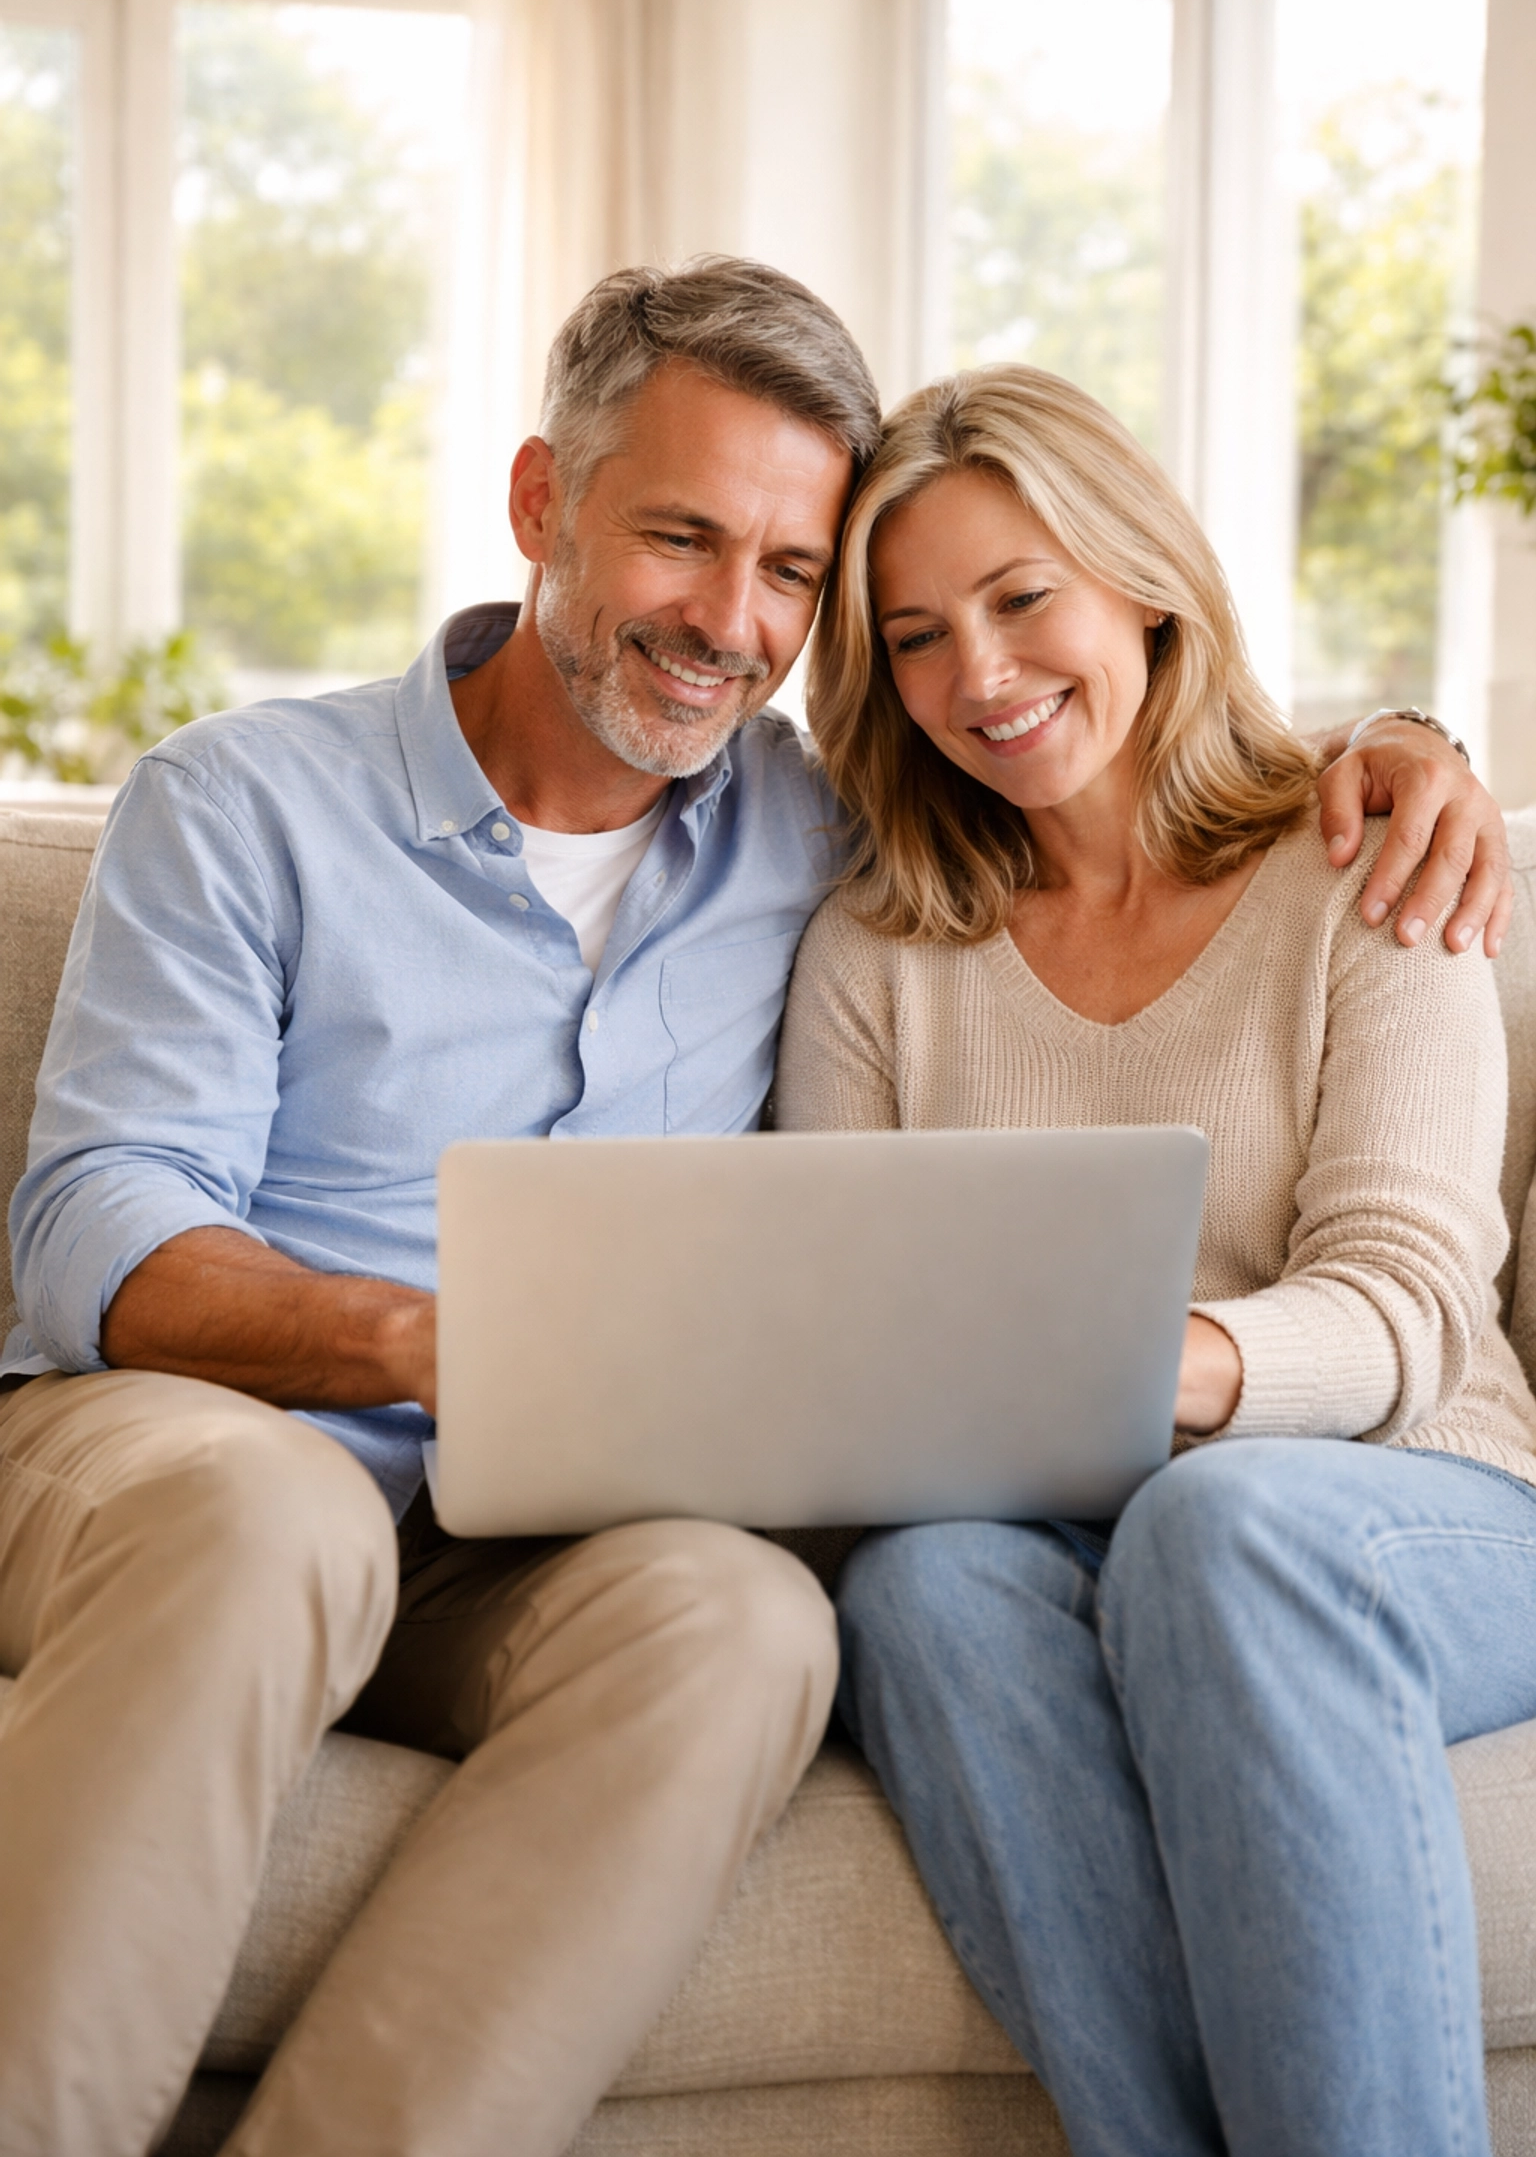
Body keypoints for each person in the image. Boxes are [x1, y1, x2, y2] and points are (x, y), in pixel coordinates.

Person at [0, 264, 1508, 2157]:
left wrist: (1414, 744)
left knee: (756, 1622)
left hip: (554, 1530)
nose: (730, 623)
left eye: (792, 574)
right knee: (302, 1517)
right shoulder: (247, 805)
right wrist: (409, 1340)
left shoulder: (821, 833)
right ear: (546, 504)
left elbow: (1114, 775)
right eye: (682, 538)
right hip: (227, 1441)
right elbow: (91, 1222)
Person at [775, 361, 1536, 2157]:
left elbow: (1414, 1310)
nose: (981, 675)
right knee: (924, 1588)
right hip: (1068, 1528)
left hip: (1425, 1505)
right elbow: (842, 1321)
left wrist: (1156, 1366)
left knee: (1223, 1518)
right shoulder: (877, 952)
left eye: (1023, 598)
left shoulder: (1367, 861)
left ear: (1142, 580)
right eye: (915, 635)